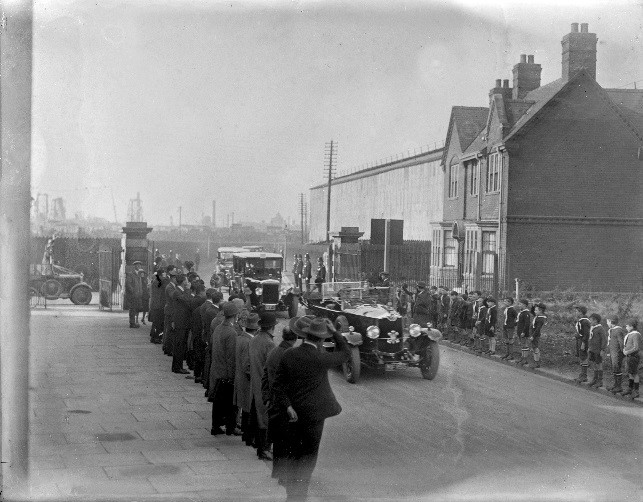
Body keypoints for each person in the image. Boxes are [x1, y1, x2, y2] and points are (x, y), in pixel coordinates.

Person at [271, 317, 350, 500]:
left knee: (293, 453)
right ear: (322, 339)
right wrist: (335, 333)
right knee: (308, 456)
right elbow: (346, 353)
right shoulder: (321, 358)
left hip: (293, 415)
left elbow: (278, 385)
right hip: (314, 416)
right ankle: (300, 496)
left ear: (305, 335)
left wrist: (288, 406)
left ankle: (292, 494)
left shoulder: (288, 354)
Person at [263, 325, 298, 485]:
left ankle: (279, 473)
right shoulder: (288, 355)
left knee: (278, 442)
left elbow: (265, 376)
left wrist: (266, 397)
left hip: (274, 401)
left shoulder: (274, 352)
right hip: (284, 403)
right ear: (295, 339)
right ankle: (285, 476)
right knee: (288, 441)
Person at [249, 312, 278, 460]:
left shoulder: (254, 340)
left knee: (258, 416)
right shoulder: (269, 343)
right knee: (266, 420)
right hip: (265, 386)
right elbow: (272, 369)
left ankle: (258, 446)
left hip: (254, 383)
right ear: (272, 327)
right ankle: (265, 450)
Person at [208, 301, 239, 435]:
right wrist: (233, 375)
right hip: (226, 371)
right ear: (235, 316)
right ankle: (230, 427)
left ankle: (215, 426)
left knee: (217, 401)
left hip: (216, 369)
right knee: (230, 401)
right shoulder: (231, 333)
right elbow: (231, 357)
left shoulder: (218, 328)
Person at [235, 313, 259, 446]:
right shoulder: (250, 342)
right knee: (248, 407)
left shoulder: (240, 338)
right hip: (247, 380)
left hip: (240, 377)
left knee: (245, 407)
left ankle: (245, 433)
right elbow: (247, 365)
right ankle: (247, 435)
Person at [171, 274, 193, 374]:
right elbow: (187, 300)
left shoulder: (179, 291)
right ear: (183, 281)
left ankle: (178, 366)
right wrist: (188, 289)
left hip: (183, 321)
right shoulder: (177, 292)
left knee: (181, 345)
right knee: (179, 345)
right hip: (180, 322)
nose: (188, 282)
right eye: (187, 280)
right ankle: (177, 367)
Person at [606, 316, 626, 394]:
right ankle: (615, 385)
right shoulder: (611, 330)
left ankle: (619, 386)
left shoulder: (618, 331)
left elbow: (621, 343)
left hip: (617, 353)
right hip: (612, 352)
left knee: (617, 368)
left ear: (611, 321)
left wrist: (621, 352)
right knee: (614, 368)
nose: (607, 323)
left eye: (607, 321)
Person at [622, 319, 641, 399]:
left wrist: (627, 352)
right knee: (630, 372)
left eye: (627, 326)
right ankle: (630, 388)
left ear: (631, 326)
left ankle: (636, 391)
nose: (626, 327)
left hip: (633, 356)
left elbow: (636, 347)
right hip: (629, 356)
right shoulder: (630, 334)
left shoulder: (636, 335)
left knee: (634, 373)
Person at [587, 313, 607, 388]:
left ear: (595, 320)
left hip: (598, 350)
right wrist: (589, 347)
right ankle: (595, 379)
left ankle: (600, 380)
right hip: (592, 349)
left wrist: (603, 349)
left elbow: (604, 340)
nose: (590, 322)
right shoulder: (593, 328)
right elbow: (591, 339)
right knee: (594, 364)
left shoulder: (600, 329)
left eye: (591, 320)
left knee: (599, 364)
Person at [148, 267, 168, 344]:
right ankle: (156, 338)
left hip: (156, 305)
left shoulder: (156, 281)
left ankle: (154, 337)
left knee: (156, 323)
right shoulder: (158, 282)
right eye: (163, 275)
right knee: (158, 323)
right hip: (158, 306)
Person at [574, 305, 591, 383]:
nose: (576, 312)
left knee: (583, 356)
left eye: (577, 311)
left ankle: (584, 375)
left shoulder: (585, 321)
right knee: (581, 356)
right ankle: (582, 374)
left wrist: (583, 342)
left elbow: (586, 334)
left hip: (583, 341)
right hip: (580, 339)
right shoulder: (581, 320)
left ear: (580, 312)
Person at [163, 266, 177, 356]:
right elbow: (173, 297)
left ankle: (167, 347)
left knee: (169, 330)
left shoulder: (171, 286)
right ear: (173, 278)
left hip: (170, 310)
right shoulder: (170, 287)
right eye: (176, 278)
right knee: (169, 330)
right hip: (170, 310)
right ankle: (167, 348)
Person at [125, 261, 143, 328]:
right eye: (137, 265)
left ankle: (135, 322)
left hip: (138, 295)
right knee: (132, 309)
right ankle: (132, 323)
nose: (139, 267)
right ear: (134, 266)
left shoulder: (139, 274)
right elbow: (128, 284)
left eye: (139, 265)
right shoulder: (131, 274)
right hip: (133, 295)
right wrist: (133, 291)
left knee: (136, 309)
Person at [529, 303, 546, 368]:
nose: (534, 311)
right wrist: (533, 306)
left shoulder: (540, 319)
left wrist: (533, 336)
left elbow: (538, 329)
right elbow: (531, 311)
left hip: (535, 335)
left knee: (535, 347)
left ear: (540, 311)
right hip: (533, 334)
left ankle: (537, 362)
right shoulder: (537, 316)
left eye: (536, 310)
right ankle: (535, 361)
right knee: (534, 347)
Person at [515, 299, 531, 365]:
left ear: (525, 305)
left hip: (523, 332)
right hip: (520, 331)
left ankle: (525, 359)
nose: (519, 305)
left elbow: (527, 324)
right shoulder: (521, 313)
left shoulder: (526, 313)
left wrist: (524, 332)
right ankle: (522, 357)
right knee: (522, 345)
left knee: (525, 345)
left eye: (520, 304)